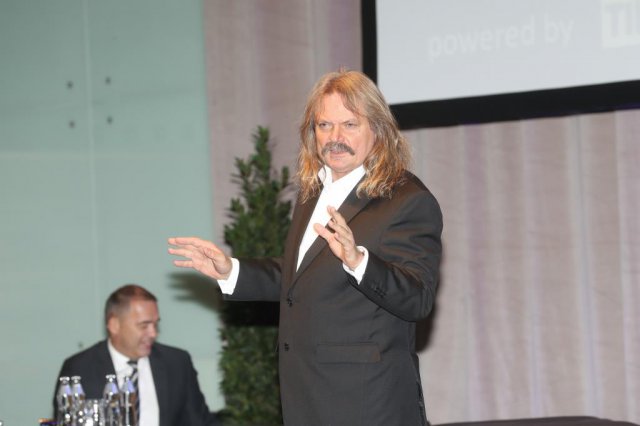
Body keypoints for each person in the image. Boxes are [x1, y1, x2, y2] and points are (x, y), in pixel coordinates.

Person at [168, 69, 443, 426]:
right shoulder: (313, 192)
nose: (335, 137)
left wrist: (358, 261)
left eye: (349, 125)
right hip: (307, 397)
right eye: (324, 125)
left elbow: (417, 298)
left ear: (378, 129)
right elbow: (299, 277)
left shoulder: (406, 200)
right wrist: (231, 270)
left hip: (366, 403)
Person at [53, 284, 218, 426]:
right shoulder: (80, 368)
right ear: (114, 325)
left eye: (155, 324)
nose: (153, 333)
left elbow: (199, 422)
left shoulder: (176, 363)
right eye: (144, 326)